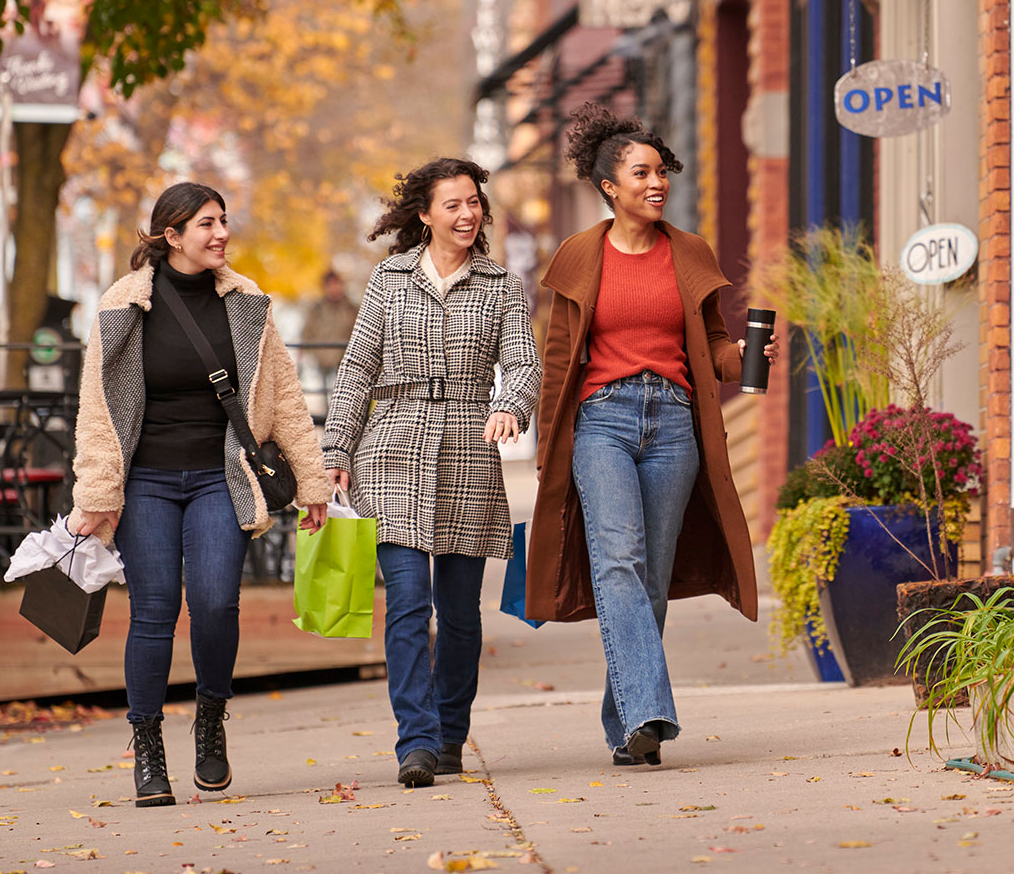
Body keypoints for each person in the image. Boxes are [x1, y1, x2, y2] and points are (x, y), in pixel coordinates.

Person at [524, 106, 778, 769]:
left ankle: (624, 723)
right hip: (602, 419)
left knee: (651, 576)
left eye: (661, 170)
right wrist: (550, 445)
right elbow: (558, 362)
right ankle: (649, 711)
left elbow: (716, 347)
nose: (656, 181)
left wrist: (751, 361)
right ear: (610, 184)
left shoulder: (689, 251)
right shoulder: (580, 254)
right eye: (641, 172)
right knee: (618, 560)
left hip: (673, 423)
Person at [66, 182, 331, 808]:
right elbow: (97, 412)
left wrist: (313, 478)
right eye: (205, 224)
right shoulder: (122, 308)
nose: (220, 234)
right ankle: (148, 746)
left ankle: (210, 715)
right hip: (148, 482)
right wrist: (97, 491)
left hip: (222, 475)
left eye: (222, 221)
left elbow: (285, 402)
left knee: (215, 602)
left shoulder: (247, 304)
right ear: (171, 236)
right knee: (154, 610)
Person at [322, 158, 541, 788]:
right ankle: (414, 742)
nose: (468, 214)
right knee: (408, 605)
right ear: (425, 214)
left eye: (474, 202)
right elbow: (359, 370)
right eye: (453, 204)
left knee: (461, 614)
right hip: (389, 449)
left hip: (468, 453)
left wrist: (509, 405)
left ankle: (450, 731)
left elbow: (523, 363)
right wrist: (336, 450)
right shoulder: (388, 281)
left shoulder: (500, 286)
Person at [302, 269, 360, 407]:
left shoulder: (352, 307)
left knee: (345, 398)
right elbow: (306, 333)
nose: (334, 288)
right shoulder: (317, 308)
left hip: (345, 360)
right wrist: (313, 352)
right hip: (322, 359)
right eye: (330, 284)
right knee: (323, 397)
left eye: (336, 284)